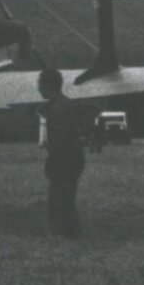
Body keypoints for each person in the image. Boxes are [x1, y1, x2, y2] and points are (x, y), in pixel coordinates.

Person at [39, 67, 87, 238]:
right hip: (74, 159)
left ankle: (60, 234)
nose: (38, 89)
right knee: (67, 199)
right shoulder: (65, 103)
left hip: (64, 160)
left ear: (47, 86)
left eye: (40, 85)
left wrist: (51, 163)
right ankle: (72, 233)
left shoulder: (56, 108)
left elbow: (59, 140)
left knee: (58, 200)